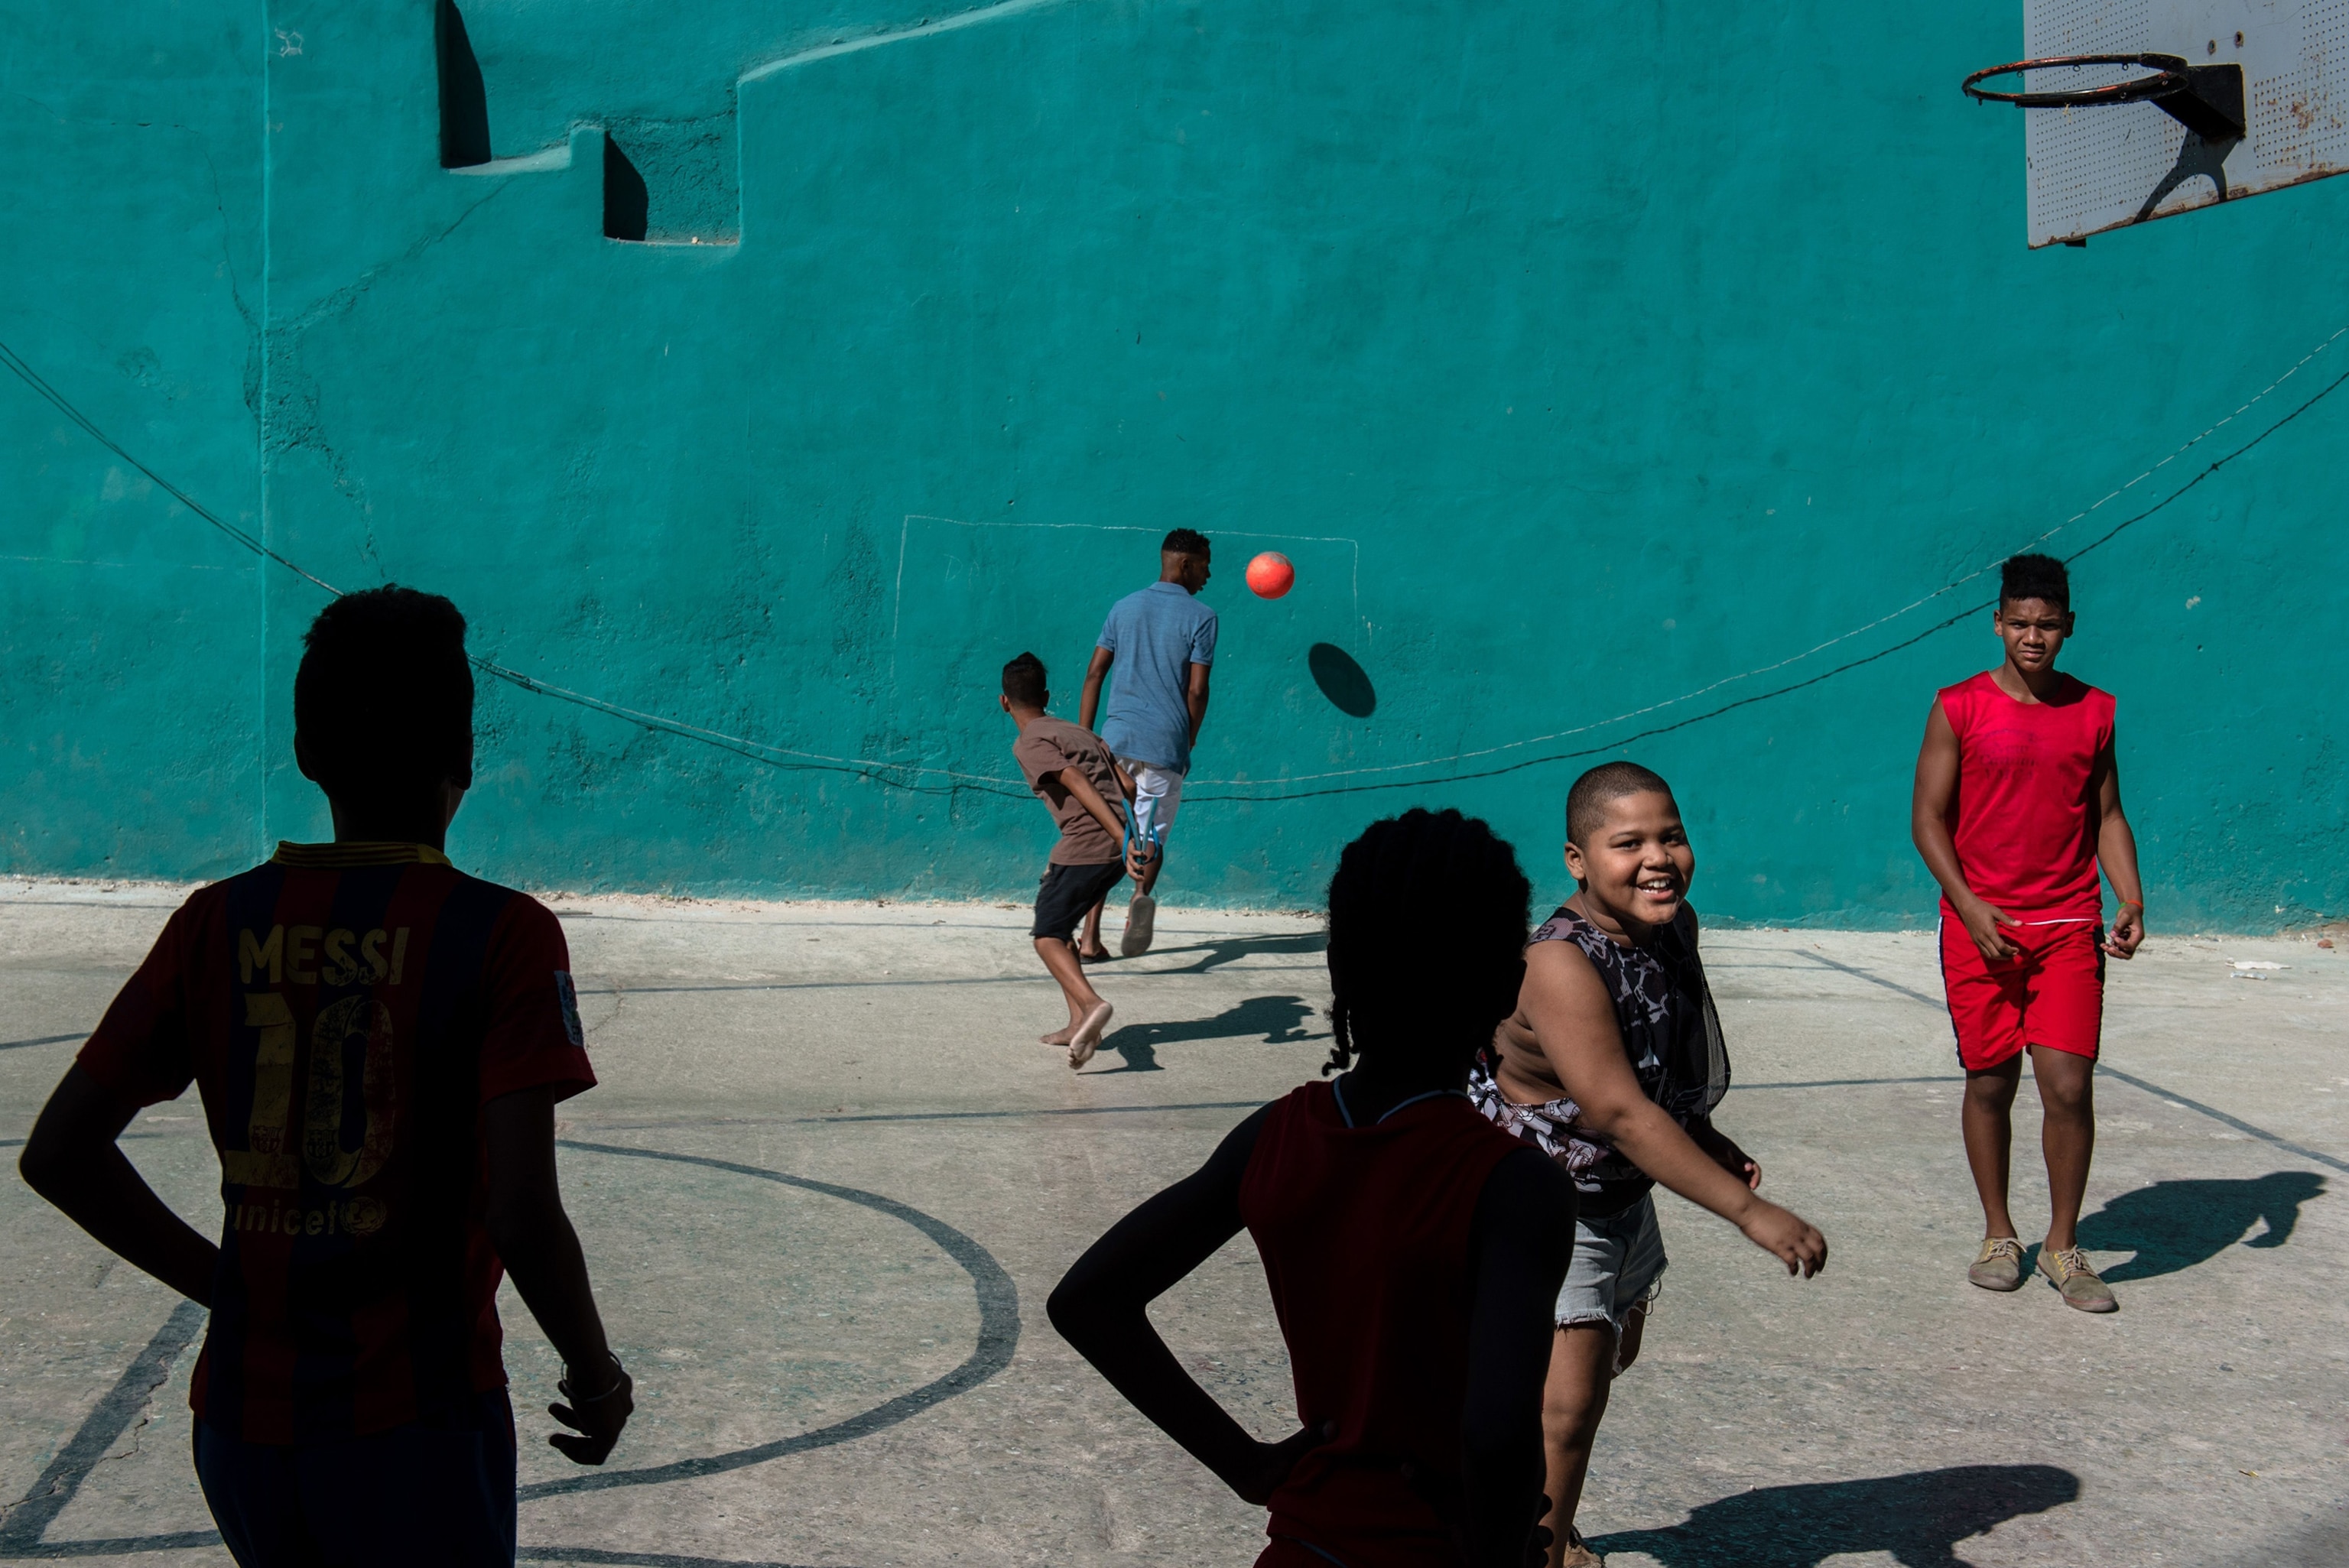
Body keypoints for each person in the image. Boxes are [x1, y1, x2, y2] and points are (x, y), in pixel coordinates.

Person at [17, 587, 631, 1568]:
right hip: (417, 1423)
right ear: (465, 757)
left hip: (239, 1427)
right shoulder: (501, 934)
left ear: (305, 754)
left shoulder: (215, 923)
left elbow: (59, 1152)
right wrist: (596, 1374)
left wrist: (225, 1284)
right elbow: (521, 1211)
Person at [1051, 808, 1575, 1567]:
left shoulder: (1279, 1135)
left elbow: (1088, 1300)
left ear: (1343, 970)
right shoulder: (1515, 1185)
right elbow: (1495, 1433)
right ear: (1506, 982)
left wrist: (1247, 1464)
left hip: (1302, 1544)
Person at [1473, 762, 1828, 1568]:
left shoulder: (1676, 925)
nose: (1657, 857)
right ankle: (1540, 1548)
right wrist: (1751, 1213)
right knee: (1569, 1405)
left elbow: (1660, 1062)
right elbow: (1619, 1110)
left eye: (1670, 835)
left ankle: (1525, 1508)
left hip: (1622, 1190)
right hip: (1545, 1201)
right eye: (1627, 842)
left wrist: (1702, 1134)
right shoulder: (1559, 963)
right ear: (1576, 858)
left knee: (1605, 1357)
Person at [1910, 551, 2144, 1313]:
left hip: (2069, 922)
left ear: (2069, 626)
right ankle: (1999, 1232)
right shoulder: (1959, 706)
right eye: (2020, 622)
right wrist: (1972, 906)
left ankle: (2064, 1243)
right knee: (1990, 1080)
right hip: (1980, 928)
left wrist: (2129, 895)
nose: (2033, 636)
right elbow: (1927, 819)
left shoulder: (2095, 710)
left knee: (2068, 1084)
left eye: (2047, 624)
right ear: (1998, 622)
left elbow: (2106, 815)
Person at [1003, 651, 1154, 1068]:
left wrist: (1122, 838)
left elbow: (1074, 779)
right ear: (1047, 696)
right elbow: (1128, 786)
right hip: (1110, 848)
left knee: (1047, 935)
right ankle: (1077, 1023)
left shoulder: (1030, 741)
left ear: (1004, 702)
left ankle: (1092, 1004)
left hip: (1090, 844)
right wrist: (1133, 836)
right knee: (1062, 925)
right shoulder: (1080, 733)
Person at [1077, 527, 1217, 958]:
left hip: (1116, 741)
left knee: (1108, 836)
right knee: (1148, 835)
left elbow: (1095, 673)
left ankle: (1089, 937)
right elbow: (1196, 691)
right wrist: (1188, 736)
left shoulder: (1124, 607)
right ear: (1186, 564)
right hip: (1164, 746)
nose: (1207, 578)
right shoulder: (1202, 616)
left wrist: (1087, 740)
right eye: (1205, 568)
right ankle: (1140, 896)